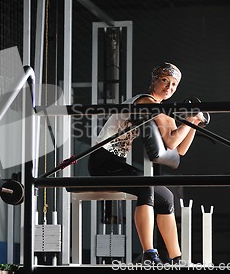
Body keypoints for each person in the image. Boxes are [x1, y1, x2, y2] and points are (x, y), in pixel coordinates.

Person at [88, 62, 205, 264]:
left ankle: (177, 258)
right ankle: (149, 253)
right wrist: (190, 119)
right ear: (154, 81)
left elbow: (180, 150)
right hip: (103, 160)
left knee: (167, 197)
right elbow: (172, 141)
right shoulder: (145, 101)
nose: (169, 87)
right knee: (146, 187)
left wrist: (194, 122)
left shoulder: (160, 109)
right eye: (164, 81)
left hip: (116, 161)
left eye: (174, 84)